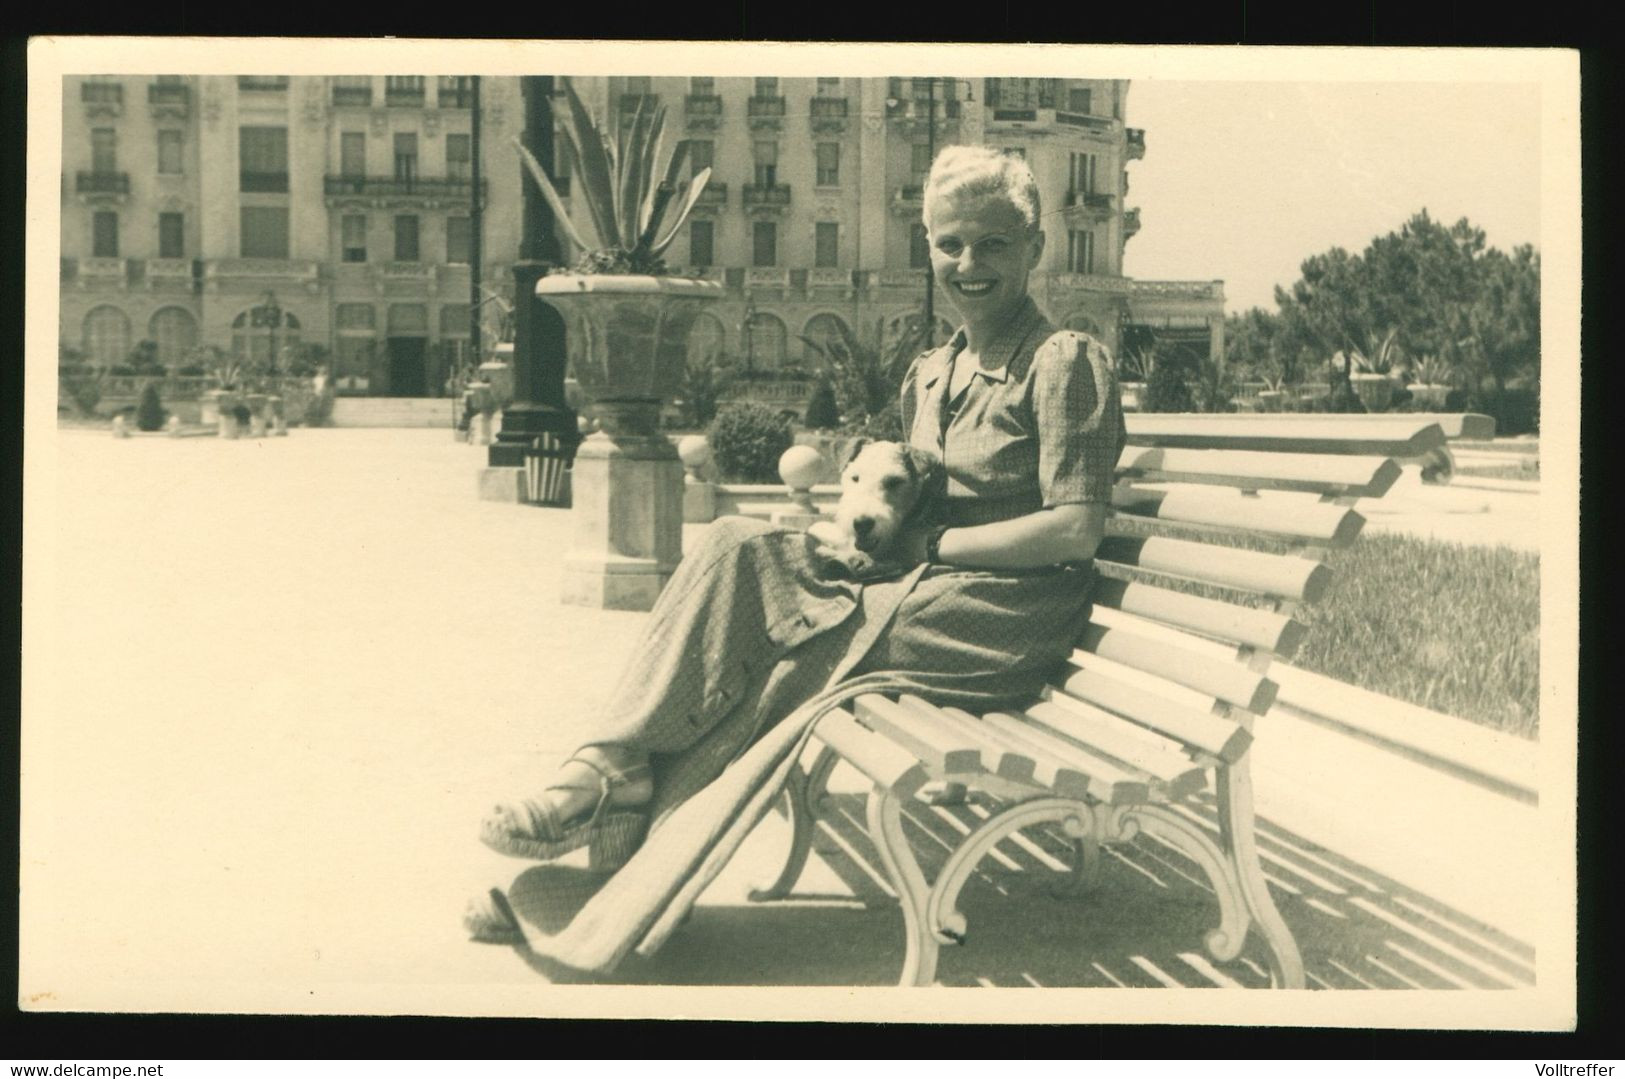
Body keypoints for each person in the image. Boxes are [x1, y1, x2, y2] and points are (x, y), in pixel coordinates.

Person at [469, 144, 1126, 975]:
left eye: (993, 244)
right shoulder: (933, 372)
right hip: (918, 592)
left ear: (1033, 247)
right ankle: (611, 766)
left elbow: (1074, 529)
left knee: (780, 669)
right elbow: (895, 510)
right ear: (925, 245)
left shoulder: (1061, 361)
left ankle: (608, 869)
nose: (968, 264)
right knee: (736, 541)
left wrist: (930, 547)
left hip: (1000, 617)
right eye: (949, 243)